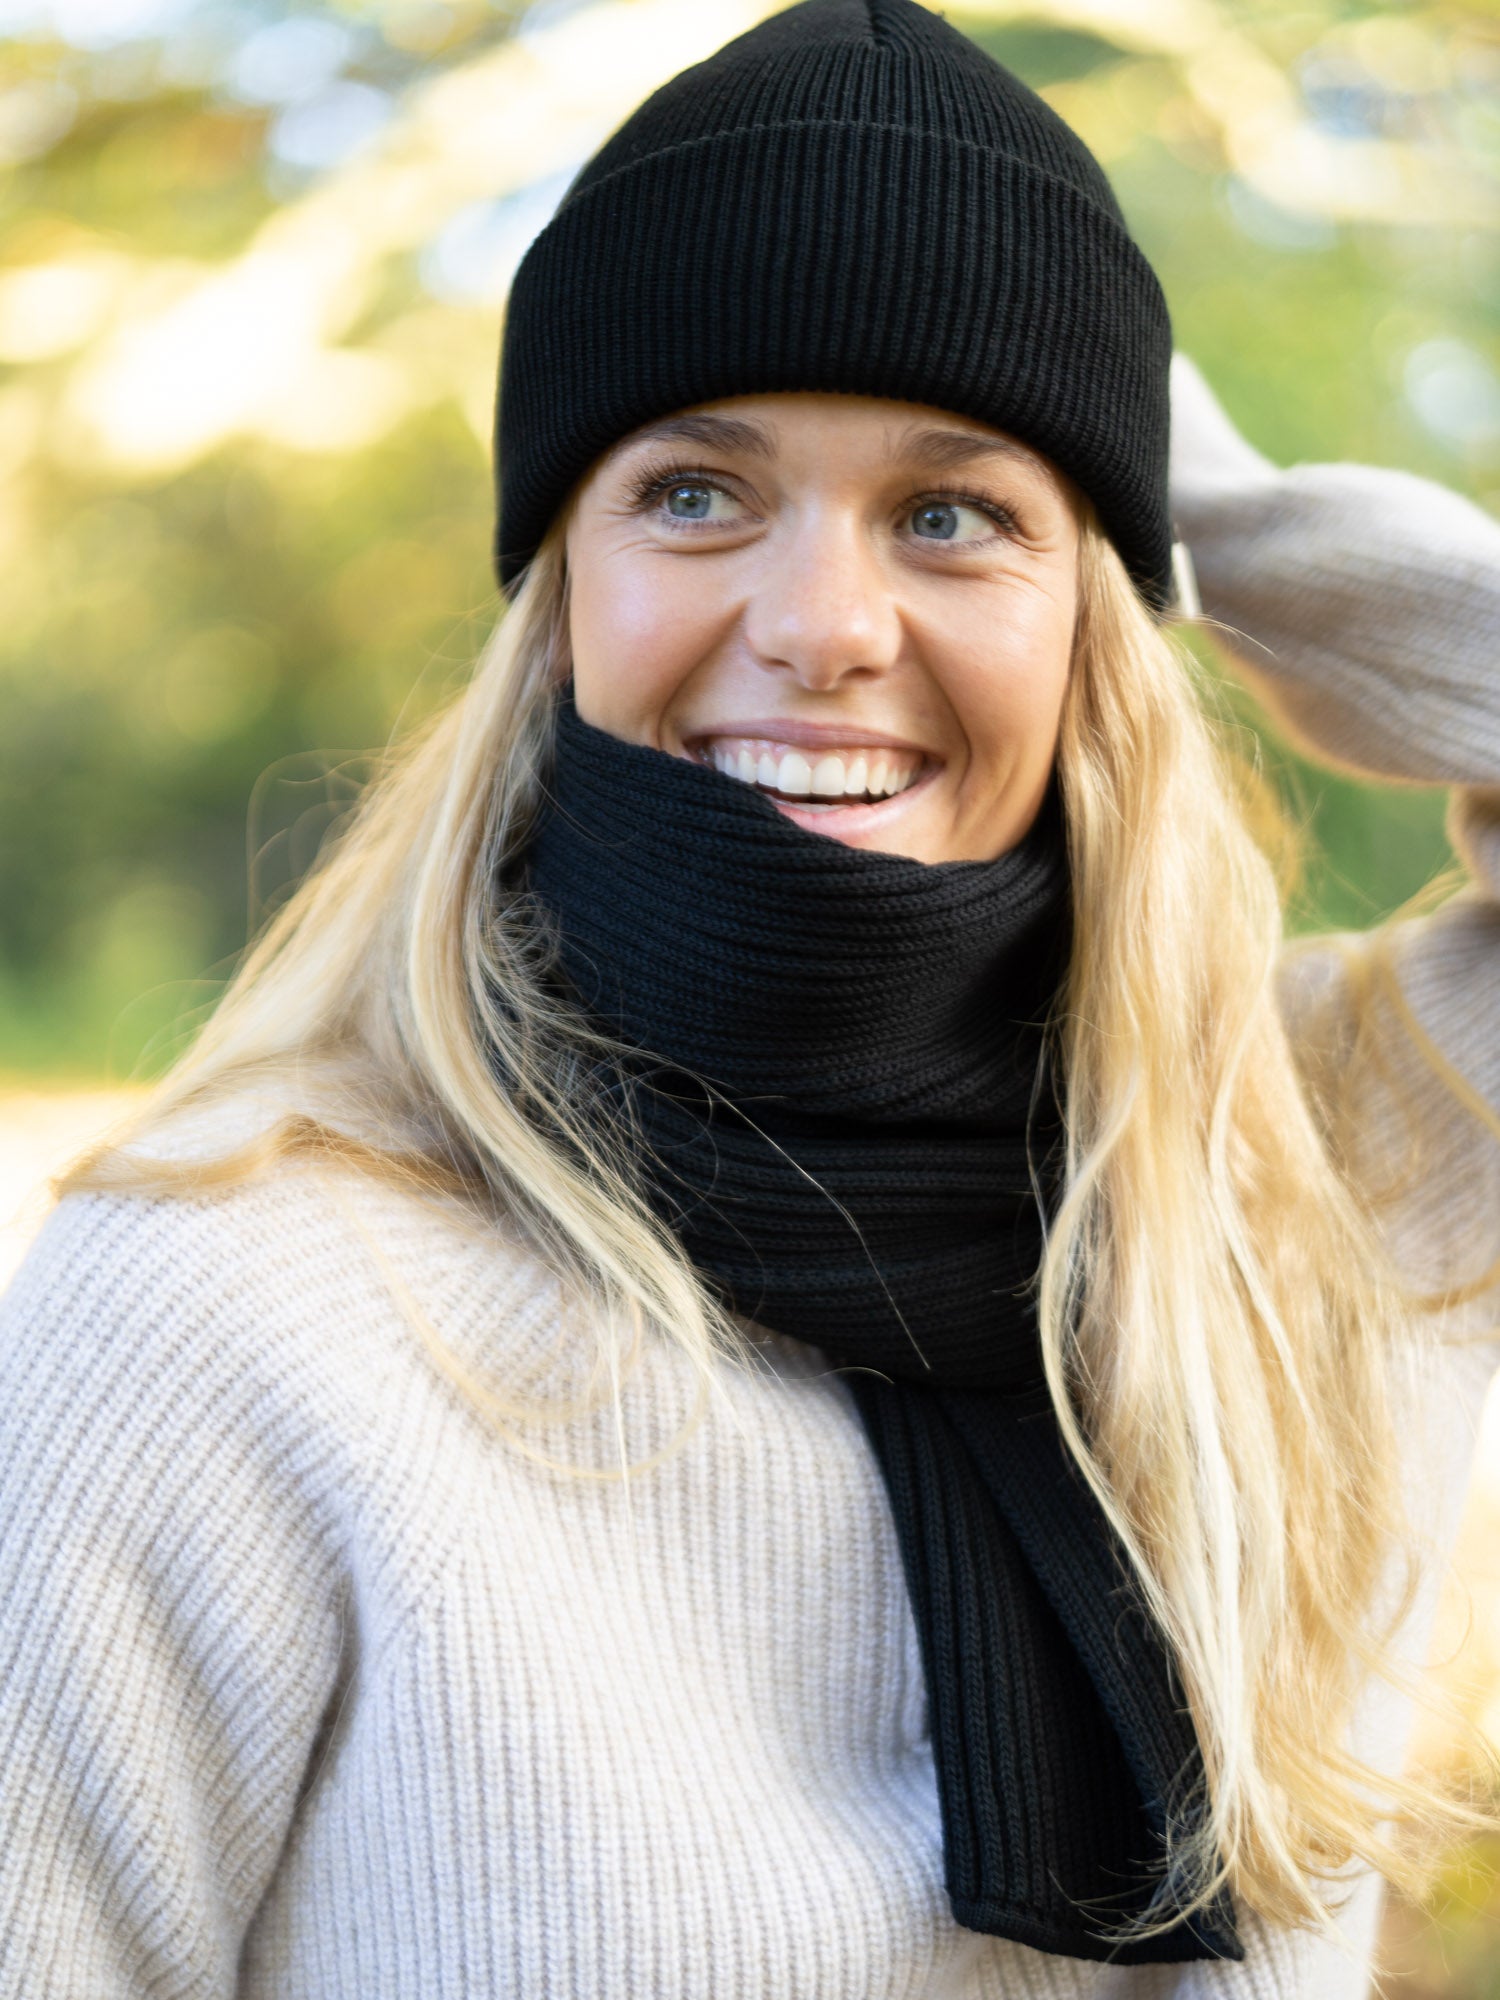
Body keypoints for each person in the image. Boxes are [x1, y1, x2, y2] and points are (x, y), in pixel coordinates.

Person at [1, 1, 1497, 1994]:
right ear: (552, 605)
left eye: (954, 515)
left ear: (1102, 626)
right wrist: (1041, 465)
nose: (817, 625)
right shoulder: (222, 1313)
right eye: (697, 493)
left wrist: (1203, 507)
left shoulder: (1306, 1195)